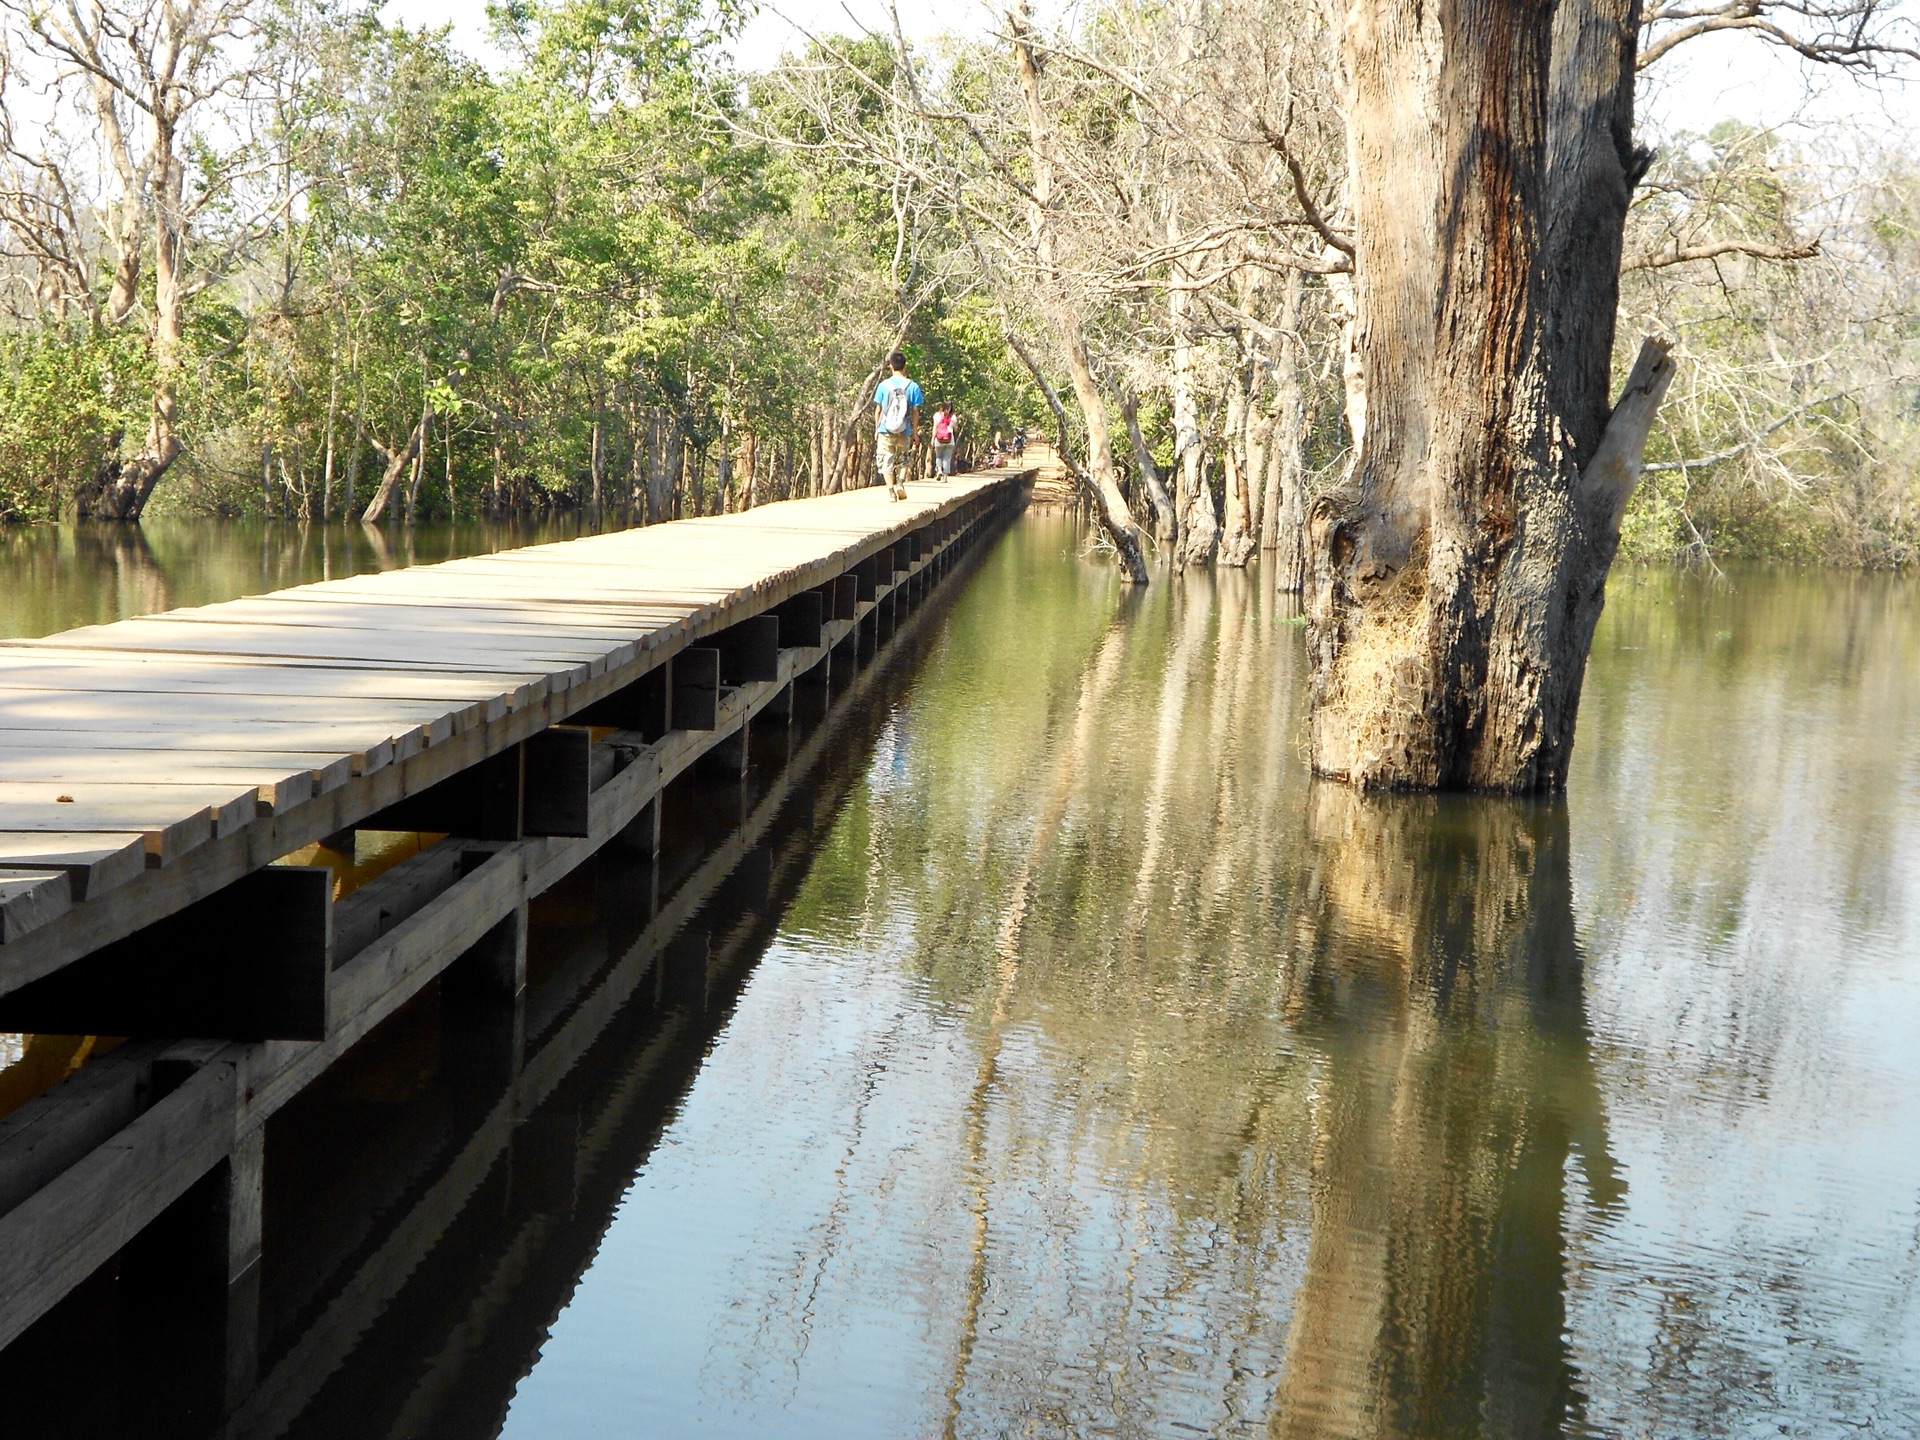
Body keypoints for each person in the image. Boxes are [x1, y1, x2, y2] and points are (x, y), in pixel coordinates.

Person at [872, 350, 923, 501]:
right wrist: (914, 432)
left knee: (886, 458)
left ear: (890, 367)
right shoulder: (912, 386)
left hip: (885, 429)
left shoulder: (883, 386)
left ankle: (890, 491)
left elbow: (878, 409)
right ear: (905, 366)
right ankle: (900, 482)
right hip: (904, 428)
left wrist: (877, 428)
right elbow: (915, 411)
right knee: (904, 458)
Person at [931, 403, 956, 478]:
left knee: (938, 456)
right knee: (947, 458)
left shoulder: (937, 415)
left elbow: (935, 428)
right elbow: (955, 428)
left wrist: (932, 439)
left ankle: (939, 470)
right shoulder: (953, 416)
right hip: (949, 440)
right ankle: (945, 476)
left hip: (939, 439)